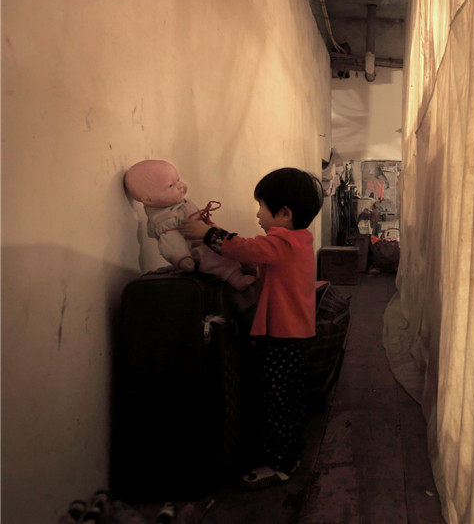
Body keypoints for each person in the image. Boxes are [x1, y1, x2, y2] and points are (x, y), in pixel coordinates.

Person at [180, 167, 324, 489]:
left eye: (261, 205)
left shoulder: (283, 241)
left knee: (275, 400)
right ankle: (291, 451)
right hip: (294, 335)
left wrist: (207, 233)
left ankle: (281, 464)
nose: (257, 214)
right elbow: (257, 257)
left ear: (284, 213)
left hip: (284, 337)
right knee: (286, 397)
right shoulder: (297, 240)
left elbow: (247, 248)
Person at [124, 159, 256, 290]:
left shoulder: (176, 205)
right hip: (196, 250)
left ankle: (245, 264)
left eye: (178, 180)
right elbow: (171, 242)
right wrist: (181, 258)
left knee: (229, 242)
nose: (181, 185)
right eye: (171, 185)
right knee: (216, 259)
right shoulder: (165, 220)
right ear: (148, 199)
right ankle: (236, 279)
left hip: (206, 238)